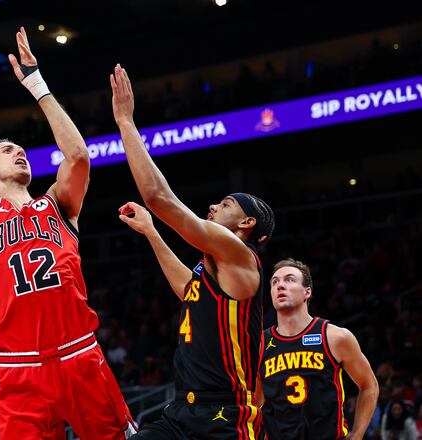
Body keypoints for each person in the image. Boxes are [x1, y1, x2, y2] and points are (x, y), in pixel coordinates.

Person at [0, 0, 135, 438]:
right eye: (7, 149)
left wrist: (37, 83)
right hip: (18, 368)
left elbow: (77, 156)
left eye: (22, 147)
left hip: (79, 354)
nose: (20, 150)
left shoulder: (57, 205)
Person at [112, 63, 274, 439]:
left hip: (225, 414)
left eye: (227, 204)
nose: (214, 207)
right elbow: (190, 290)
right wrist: (153, 234)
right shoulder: (214, 269)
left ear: (247, 223)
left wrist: (125, 122)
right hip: (182, 409)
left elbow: (158, 197)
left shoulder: (240, 255)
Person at [258, 258, 379, 439]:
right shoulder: (259, 343)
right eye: (275, 282)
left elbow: (370, 385)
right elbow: (254, 402)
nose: (280, 285)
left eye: (289, 279)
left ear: (307, 292)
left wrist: (357, 435)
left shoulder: (335, 336)